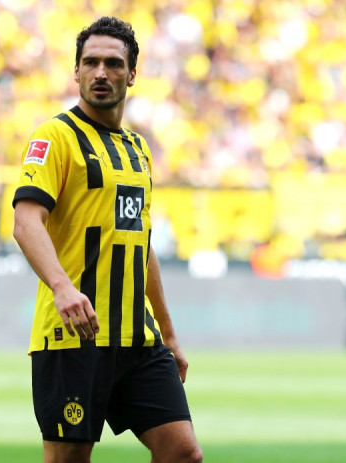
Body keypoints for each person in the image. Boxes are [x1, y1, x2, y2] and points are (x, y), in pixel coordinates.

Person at [12, 16, 203, 463]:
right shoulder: (55, 137)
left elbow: (140, 244)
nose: (101, 72)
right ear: (76, 71)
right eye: (91, 62)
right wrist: (62, 287)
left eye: (113, 64)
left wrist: (168, 333)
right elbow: (26, 222)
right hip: (74, 337)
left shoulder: (138, 149)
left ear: (131, 74)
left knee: (183, 454)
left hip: (138, 339)